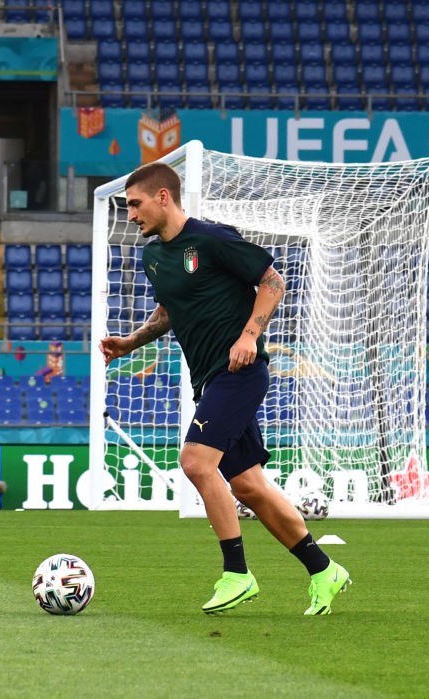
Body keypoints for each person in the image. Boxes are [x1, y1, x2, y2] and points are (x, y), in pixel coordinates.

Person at [99, 162, 351, 615]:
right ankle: (324, 569)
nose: (130, 214)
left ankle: (237, 573)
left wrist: (249, 336)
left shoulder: (211, 238)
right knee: (249, 486)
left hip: (240, 371)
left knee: (195, 461)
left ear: (163, 197)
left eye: (135, 204)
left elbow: (273, 281)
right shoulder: (153, 256)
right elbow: (170, 311)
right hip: (211, 379)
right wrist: (132, 341)